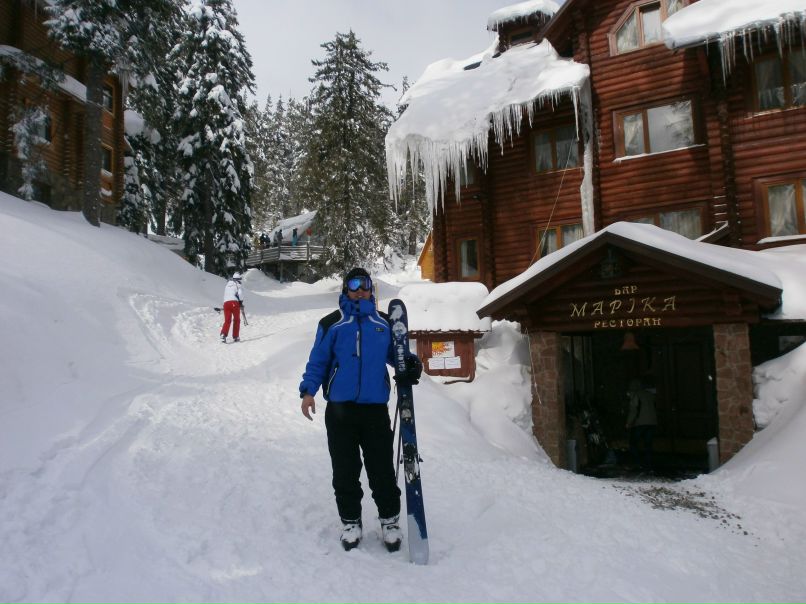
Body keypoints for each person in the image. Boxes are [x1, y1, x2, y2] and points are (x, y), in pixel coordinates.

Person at [299, 267, 422, 552]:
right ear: (345, 289)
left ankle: (390, 521)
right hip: (340, 410)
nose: (360, 290)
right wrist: (308, 391)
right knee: (345, 469)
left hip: (374, 410)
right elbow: (318, 361)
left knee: (381, 468)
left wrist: (410, 366)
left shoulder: (382, 324)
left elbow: (398, 355)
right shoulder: (331, 324)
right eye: (354, 285)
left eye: (365, 284)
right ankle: (351, 521)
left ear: (371, 289)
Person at [625, 377, 657, 471]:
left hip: (640, 423)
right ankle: (649, 464)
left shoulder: (636, 395)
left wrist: (628, 422)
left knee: (633, 443)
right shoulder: (650, 394)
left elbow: (633, 410)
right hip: (652, 422)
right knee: (648, 444)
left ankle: (638, 462)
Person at [220, 272, 244, 343]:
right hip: (234, 303)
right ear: (238, 279)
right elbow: (240, 294)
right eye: (240, 279)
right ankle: (236, 336)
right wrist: (240, 302)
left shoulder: (227, 285)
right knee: (236, 320)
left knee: (227, 320)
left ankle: (223, 335)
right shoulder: (237, 284)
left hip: (226, 303)